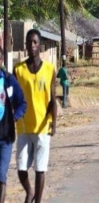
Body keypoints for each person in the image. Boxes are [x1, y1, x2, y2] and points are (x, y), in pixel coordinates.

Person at [13, 29, 57, 203]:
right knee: (21, 167)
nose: (32, 46)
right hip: (23, 126)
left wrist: (54, 124)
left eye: (35, 42)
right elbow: (13, 97)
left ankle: (37, 201)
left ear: (40, 45)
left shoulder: (49, 69)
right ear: (25, 45)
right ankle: (29, 192)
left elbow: (53, 99)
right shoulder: (18, 70)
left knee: (40, 168)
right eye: (29, 42)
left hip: (42, 126)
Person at [0, 48, 26, 203]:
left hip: (5, 138)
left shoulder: (9, 80)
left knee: (1, 175)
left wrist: (14, 118)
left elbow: (22, 102)